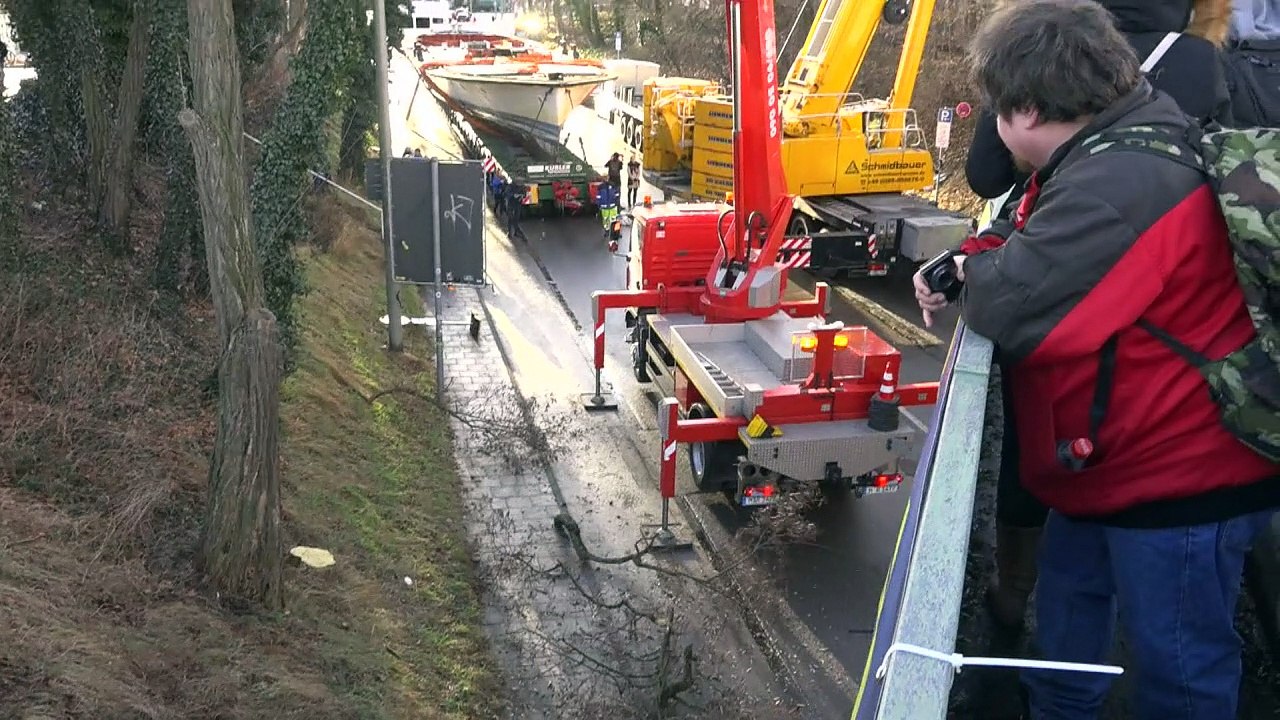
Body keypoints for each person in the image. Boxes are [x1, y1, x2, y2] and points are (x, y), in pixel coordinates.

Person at [920, 1, 1280, 716]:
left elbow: (1022, 307)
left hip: (1180, 482)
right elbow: (1036, 245)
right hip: (1112, 467)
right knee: (1068, 634)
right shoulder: (1116, 145)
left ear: (1022, 109)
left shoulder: (1119, 184)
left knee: (1181, 671)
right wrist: (970, 257)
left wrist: (974, 276)